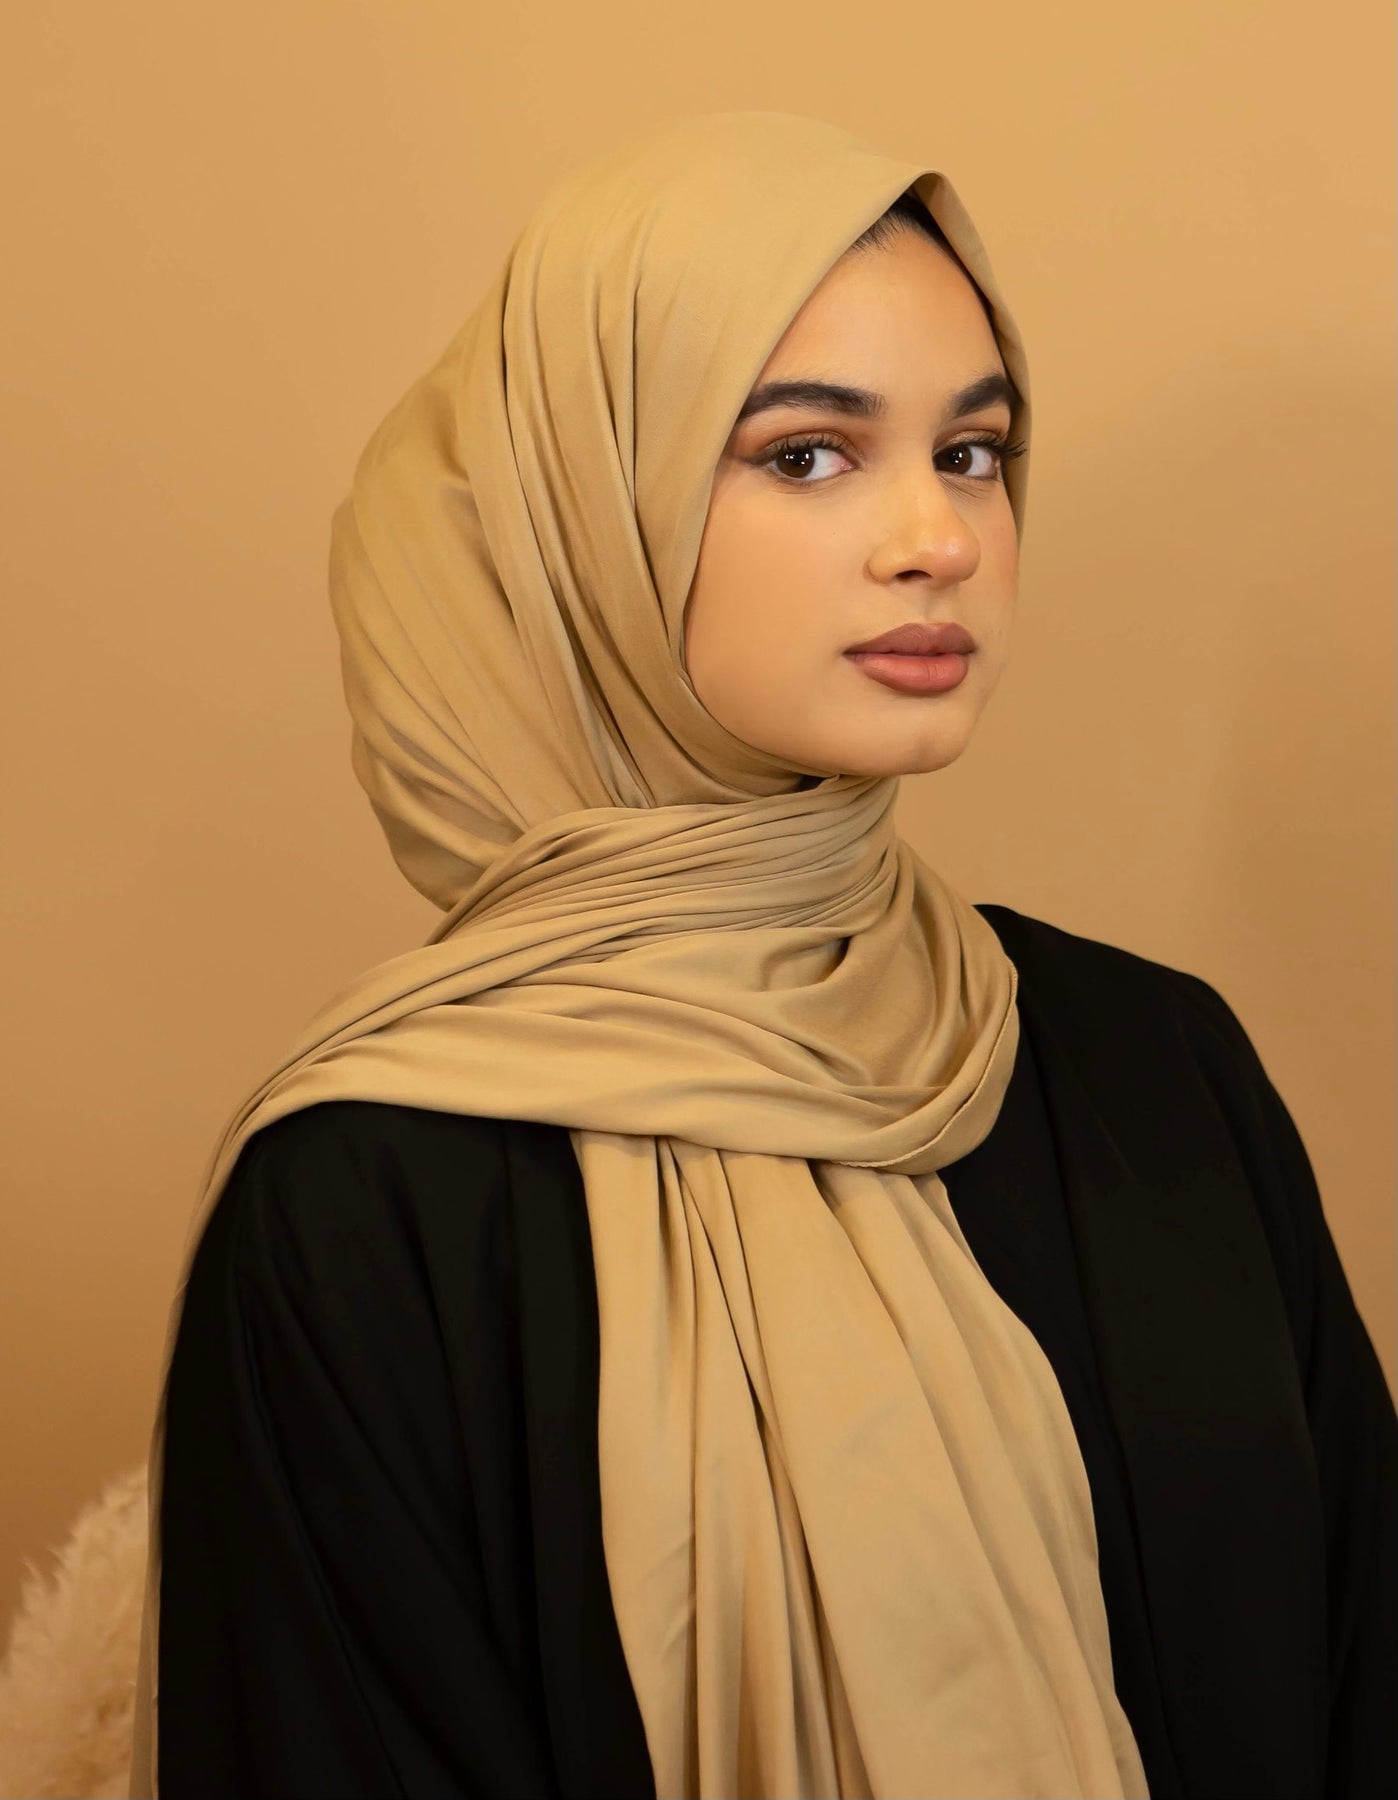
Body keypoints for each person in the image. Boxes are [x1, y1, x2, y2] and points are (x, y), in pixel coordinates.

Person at [129, 111, 1398, 1800]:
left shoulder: (1155, 1067)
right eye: (805, 455)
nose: (938, 537)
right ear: (585, 518)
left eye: (972, 451)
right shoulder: (372, 1197)